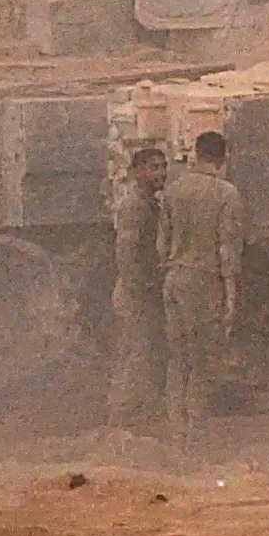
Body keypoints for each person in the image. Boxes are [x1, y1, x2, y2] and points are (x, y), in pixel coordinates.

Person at [158, 131, 246, 445]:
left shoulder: (173, 190)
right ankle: (194, 431)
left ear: (196, 154)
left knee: (177, 355)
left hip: (174, 277)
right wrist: (230, 294)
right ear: (224, 158)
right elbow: (227, 249)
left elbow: (161, 245)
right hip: (203, 281)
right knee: (203, 357)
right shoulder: (227, 194)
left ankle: (175, 424)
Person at [107, 147, 167, 429]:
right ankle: (121, 419)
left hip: (145, 293)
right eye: (154, 167)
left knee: (146, 355)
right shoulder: (134, 206)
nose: (161, 173)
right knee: (134, 356)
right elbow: (126, 255)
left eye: (163, 167)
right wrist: (139, 291)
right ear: (137, 172)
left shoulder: (149, 204)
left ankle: (139, 417)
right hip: (136, 296)